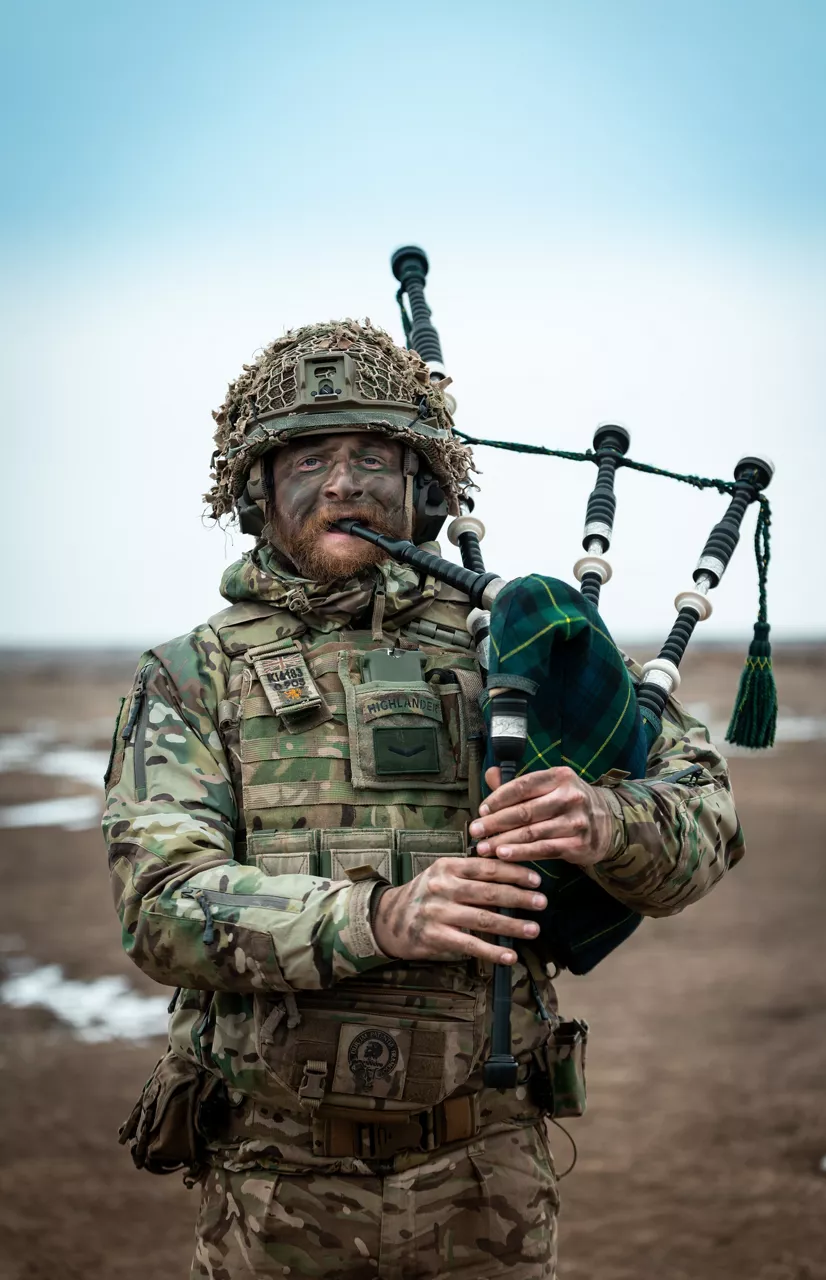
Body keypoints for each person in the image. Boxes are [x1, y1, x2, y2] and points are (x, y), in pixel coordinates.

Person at [103, 320, 744, 1280]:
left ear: (428, 488)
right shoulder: (193, 675)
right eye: (308, 457)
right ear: (256, 492)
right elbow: (161, 907)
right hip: (274, 1184)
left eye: (374, 456)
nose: (344, 483)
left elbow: (707, 825)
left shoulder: (523, 646)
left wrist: (605, 819)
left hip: (485, 1179)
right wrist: (382, 917)